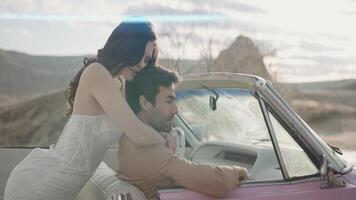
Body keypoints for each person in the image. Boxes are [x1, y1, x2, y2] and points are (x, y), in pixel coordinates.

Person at [4, 17, 164, 200]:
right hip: (42, 183)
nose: (143, 65)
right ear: (128, 49)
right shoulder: (97, 73)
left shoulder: (120, 84)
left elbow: (137, 135)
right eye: (142, 57)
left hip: (64, 185)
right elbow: (138, 134)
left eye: (148, 60)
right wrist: (167, 139)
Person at [117, 65, 249, 200]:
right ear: (145, 102)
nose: (175, 110)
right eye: (169, 101)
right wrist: (241, 171)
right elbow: (217, 181)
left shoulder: (127, 138)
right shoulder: (149, 151)